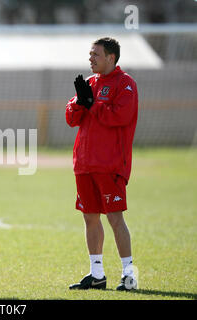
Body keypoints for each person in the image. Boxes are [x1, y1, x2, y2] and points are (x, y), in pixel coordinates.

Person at [65, 37, 138, 291]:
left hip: (109, 165)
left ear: (111, 57)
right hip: (84, 164)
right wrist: (78, 102)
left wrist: (92, 105)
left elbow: (120, 116)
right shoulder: (90, 83)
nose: (91, 58)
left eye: (96, 54)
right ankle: (97, 274)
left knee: (115, 218)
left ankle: (129, 274)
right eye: (90, 54)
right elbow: (72, 119)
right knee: (89, 218)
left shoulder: (125, 84)